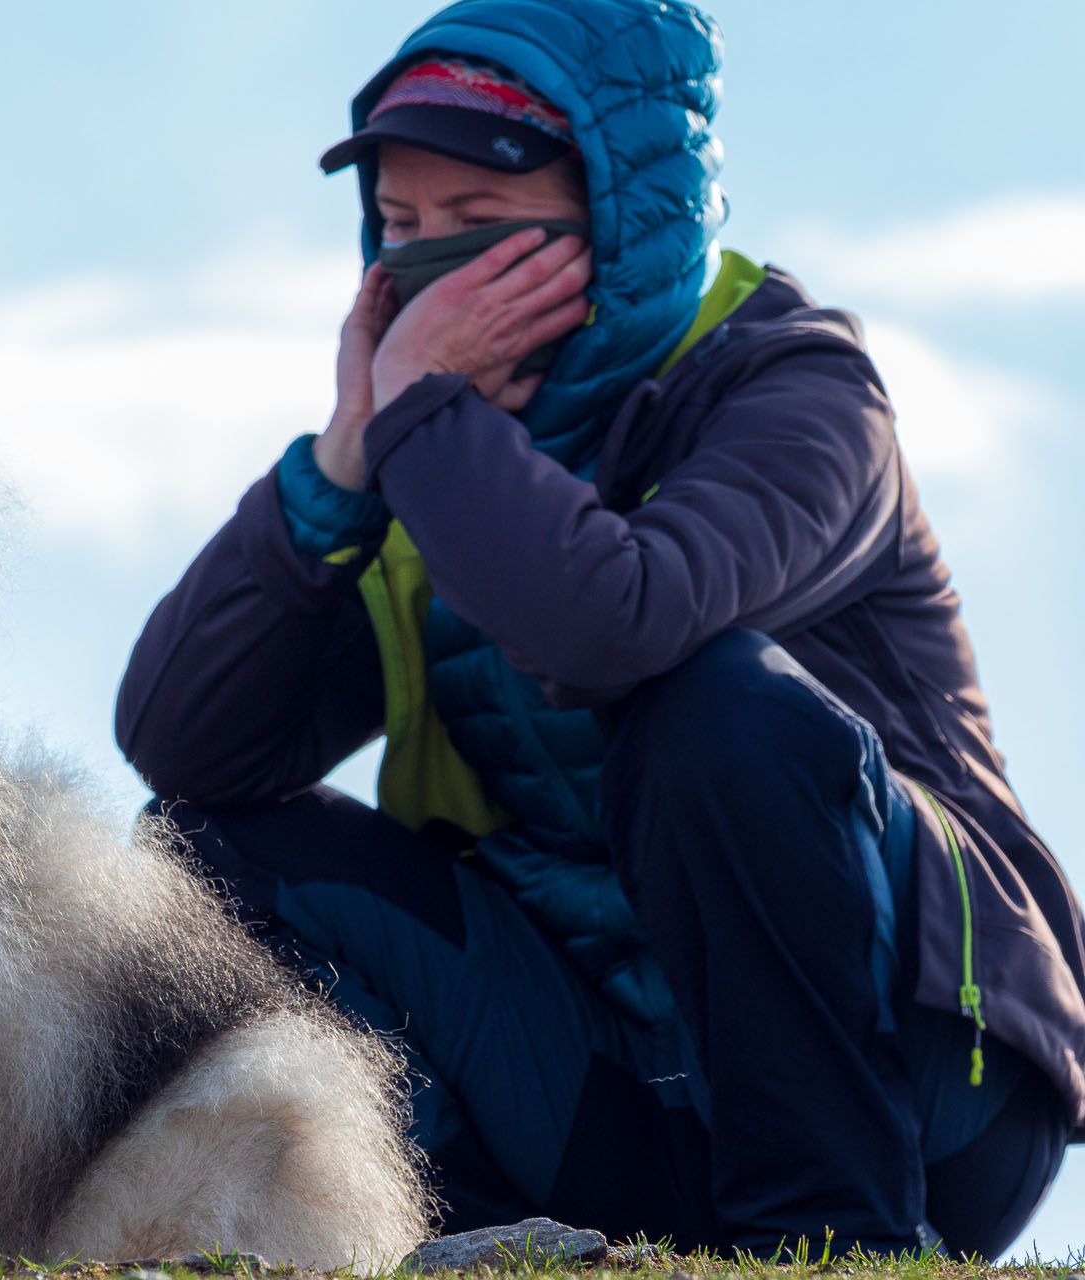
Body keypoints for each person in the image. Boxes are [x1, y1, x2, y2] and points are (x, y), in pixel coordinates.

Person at [115, 0, 1083, 1260]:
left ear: (620, 223)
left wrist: (420, 423)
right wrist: (341, 468)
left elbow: (608, 622)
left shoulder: (795, 389)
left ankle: (829, 1246)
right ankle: (493, 1243)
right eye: (399, 231)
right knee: (202, 855)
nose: (424, 282)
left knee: (712, 708)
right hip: (612, 1091)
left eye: (478, 232)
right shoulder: (415, 450)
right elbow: (181, 740)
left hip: (926, 1100)